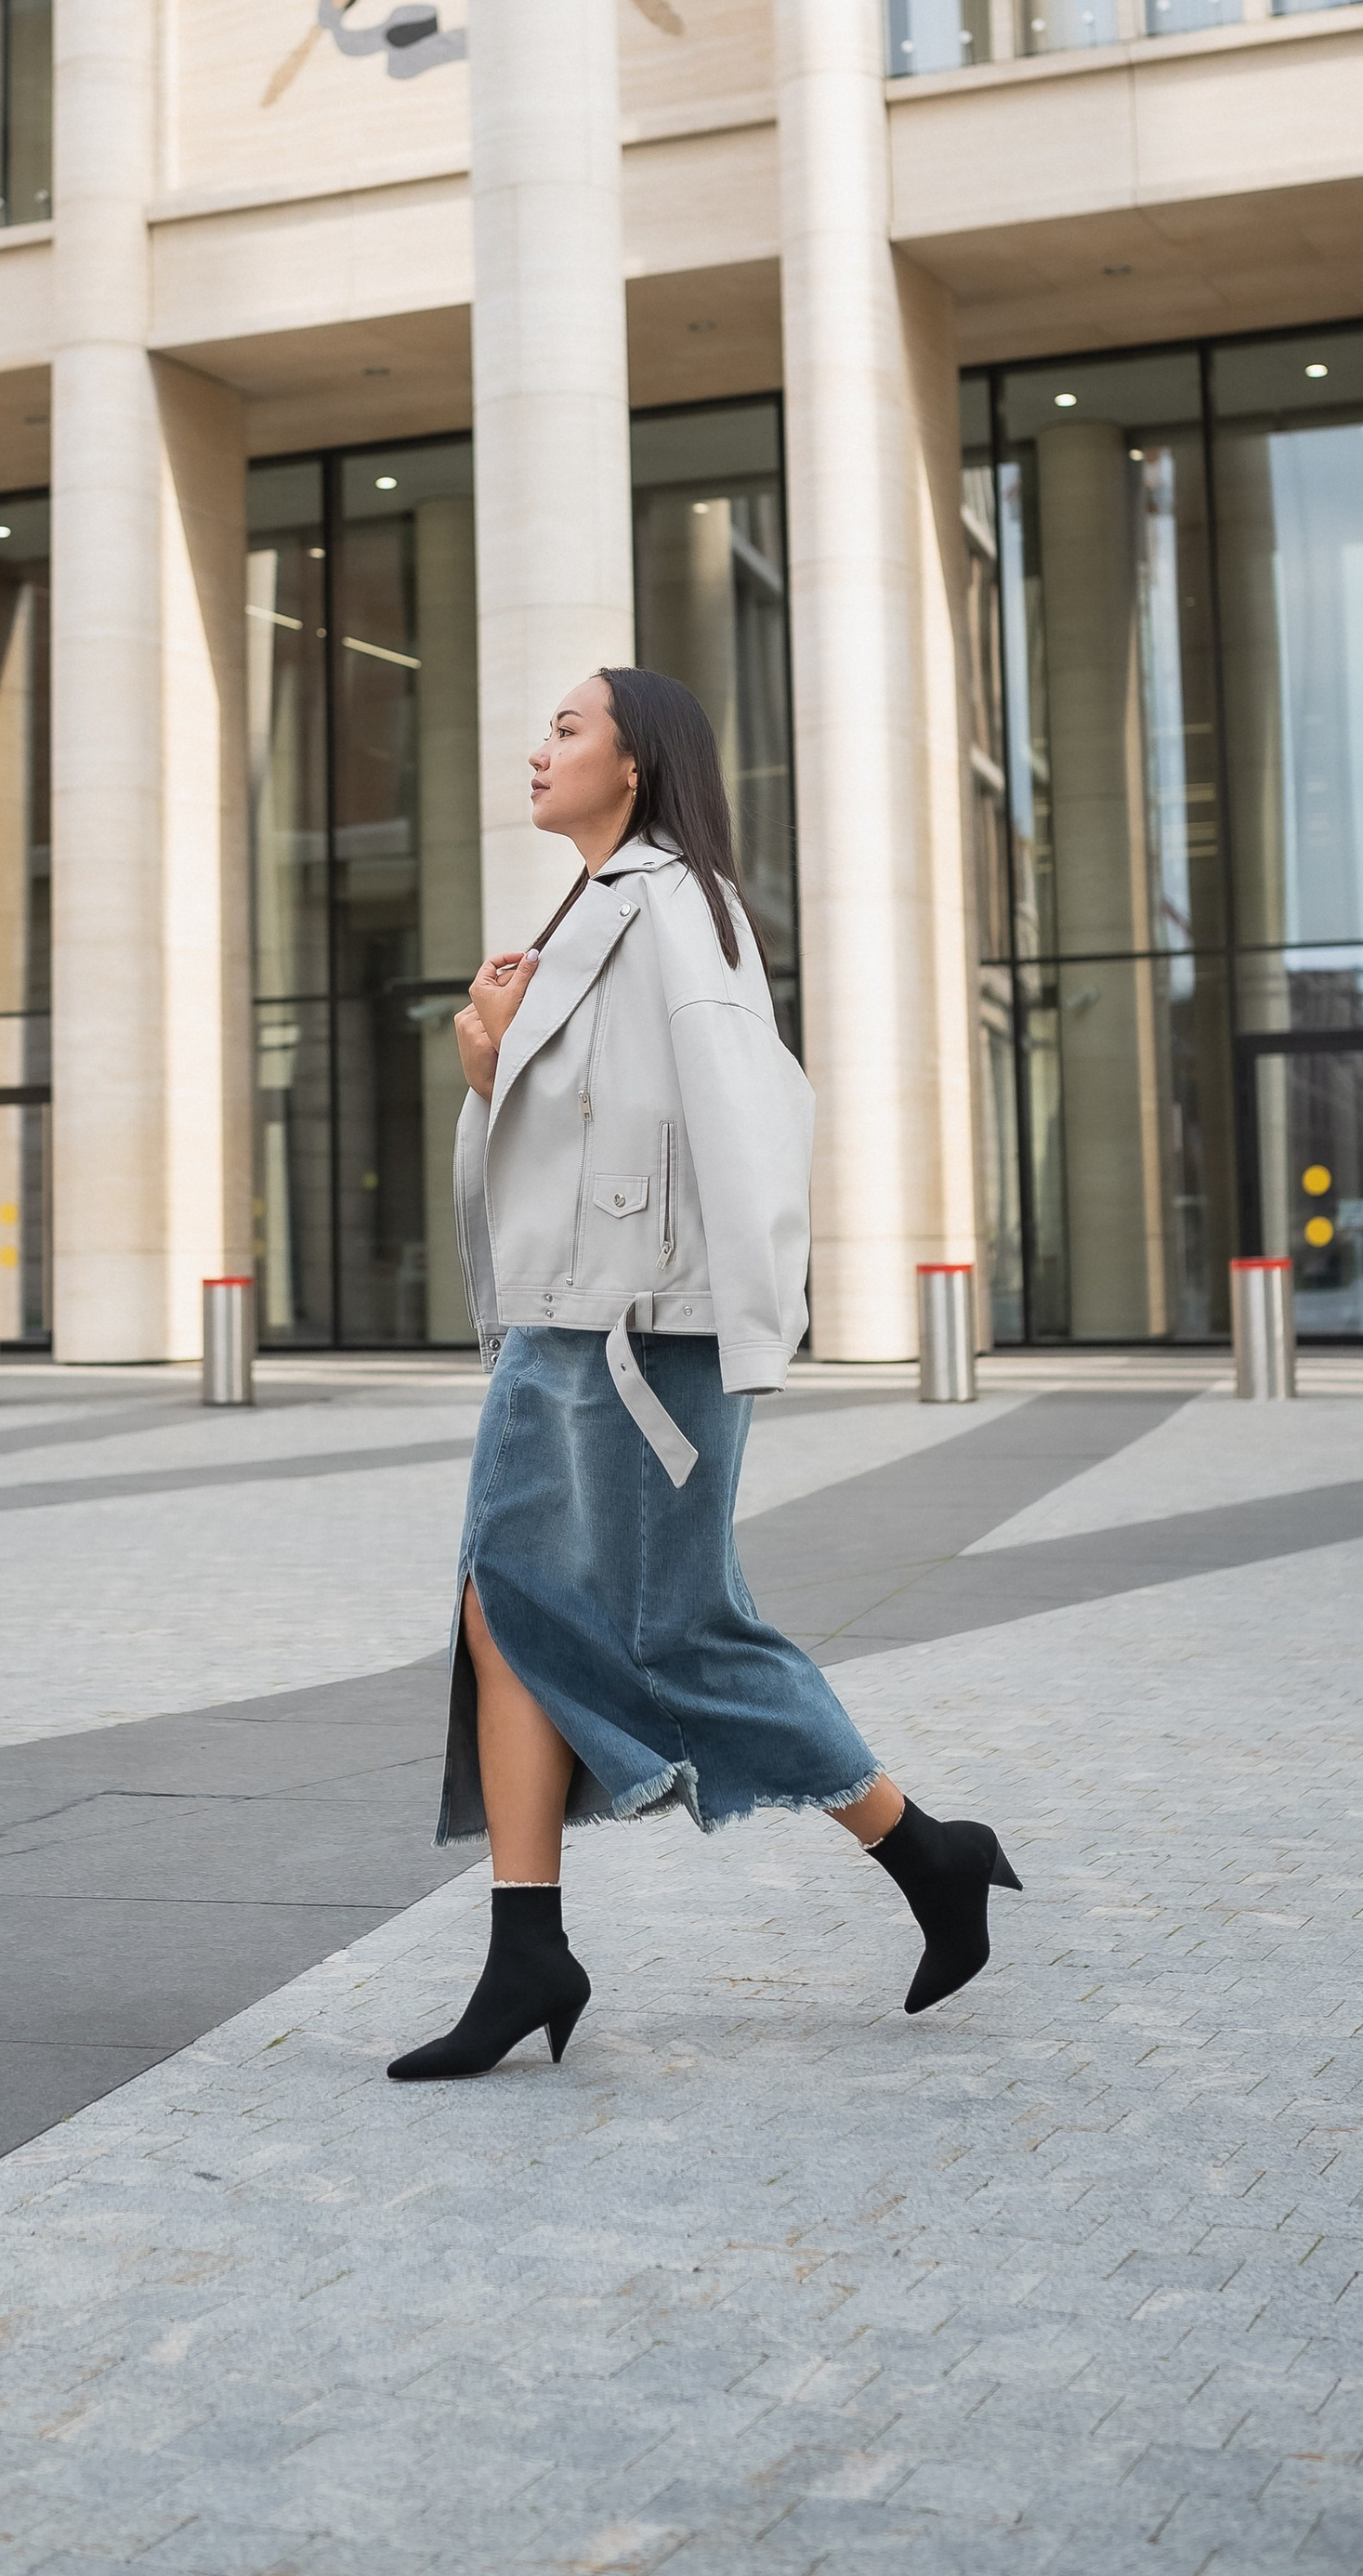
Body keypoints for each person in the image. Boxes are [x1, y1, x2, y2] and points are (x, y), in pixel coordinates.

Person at [387, 665, 1020, 2084]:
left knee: (666, 1632)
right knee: (515, 1615)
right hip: (577, 1324)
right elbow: (577, 1141)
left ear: (639, 760)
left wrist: (746, 1330)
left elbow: (747, 1111)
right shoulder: (594, 912)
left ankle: (927, 1854)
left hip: (637, 1336)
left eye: (568, 727)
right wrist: (486, 1057)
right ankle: (529, 1943)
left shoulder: (676, 907)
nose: (537, 747)